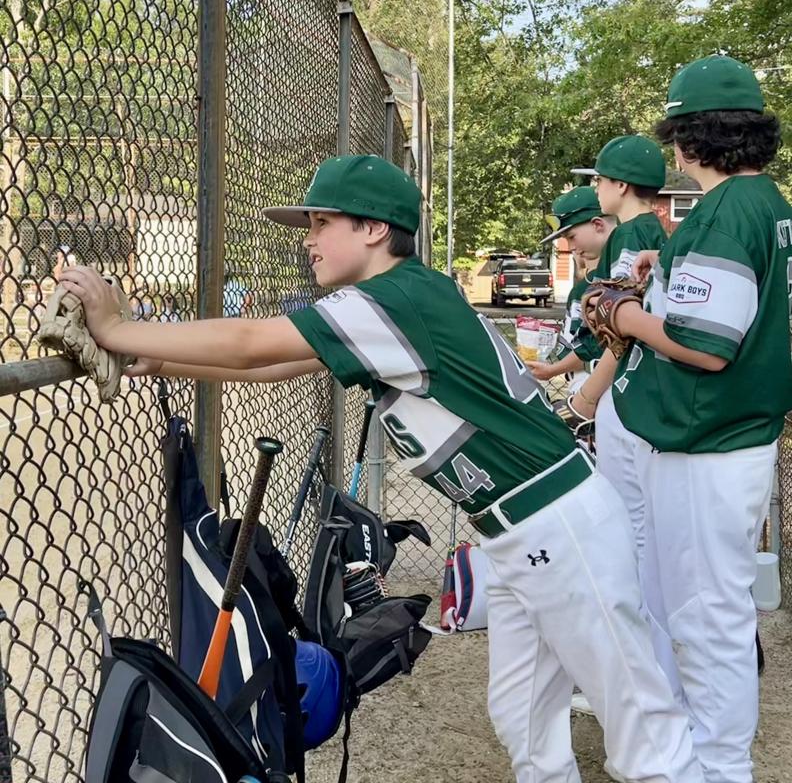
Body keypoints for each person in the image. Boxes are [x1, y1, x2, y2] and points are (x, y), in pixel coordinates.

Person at [60, 154, 702, 783]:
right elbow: (278, 364)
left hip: (558, 526)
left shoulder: (396, 299)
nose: (308, 239)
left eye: (322, 223)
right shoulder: (394, 299)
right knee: (524, 720)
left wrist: (118, 329)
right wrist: (158, 360)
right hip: (523, 532)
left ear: (372, 229)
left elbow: (252, 343)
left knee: (643, 730)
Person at [575, 57, 790, 783]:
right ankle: (694, 749)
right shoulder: (765, 202)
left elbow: (706, 347)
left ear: (691, 138)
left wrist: (627, 313)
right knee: (694, 608)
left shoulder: (727, 211)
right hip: (726, 437)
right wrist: (659, 273)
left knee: (707, 617)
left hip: (710, 439)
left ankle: (720, 766)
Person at [569, 136, 668, 560]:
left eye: (601, 180)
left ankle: (637, 598)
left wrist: (588, 396)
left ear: (622, 185)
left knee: (630, 516)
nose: (596, 189)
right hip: (634, 381)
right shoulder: (646, 230)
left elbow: (623, 326)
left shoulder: (633, 232)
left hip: (626, 383)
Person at [525, 186, 615, 391]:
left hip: (604, 392)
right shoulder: (589, 282)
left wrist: (553, 370)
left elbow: (596, 347)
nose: (571, 247)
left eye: (571, 236)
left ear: (598, 224)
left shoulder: (620, 275)